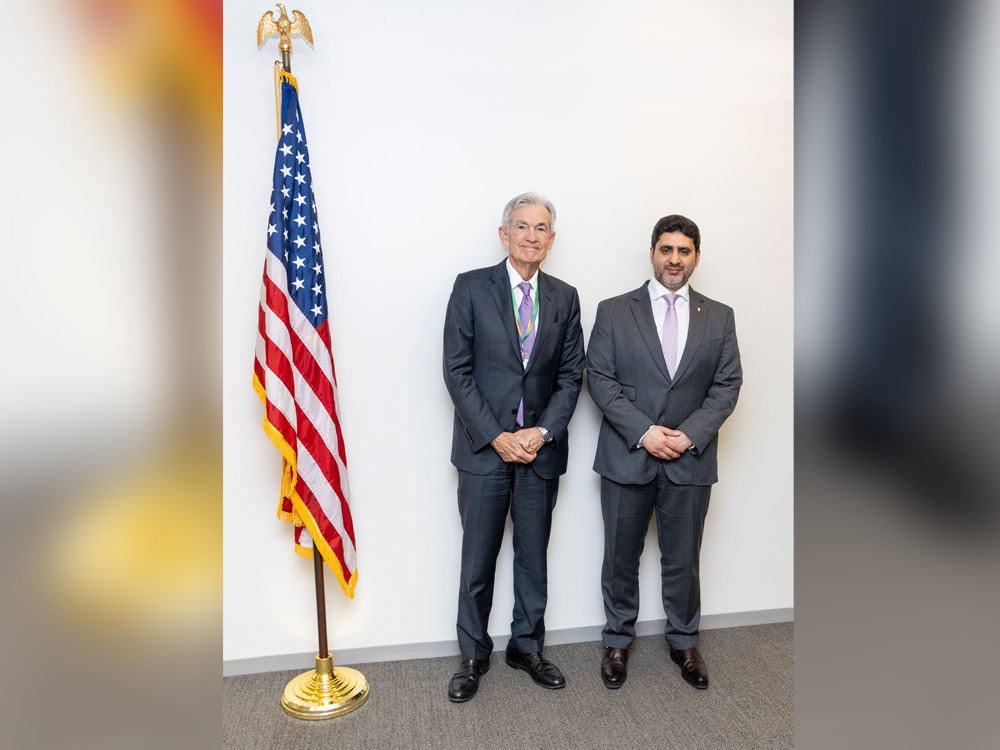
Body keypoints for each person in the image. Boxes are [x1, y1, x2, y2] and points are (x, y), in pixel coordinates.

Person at [586, 214, 742, 690]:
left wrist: (689, 434)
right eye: (667, 250)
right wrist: (645, 432)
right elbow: (600, 378)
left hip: (689, 460)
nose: (675, 260)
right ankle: (617, 641)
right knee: (619, 556)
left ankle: (684, 642)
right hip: (627, 457)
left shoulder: (719, 315)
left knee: (683, 558)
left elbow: (727, 384)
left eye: (685, 251)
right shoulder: (614, 310)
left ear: (696, 256)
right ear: (652, 252)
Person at [442, 192, 585, 702]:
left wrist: (541, 433)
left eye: (541, 228)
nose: (532, 235)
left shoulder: (565, 297)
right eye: (522, 226)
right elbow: (456, 372)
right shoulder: (470, 287)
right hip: (484, 453)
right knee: (478, 559)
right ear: (505, 235)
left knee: (533, 558)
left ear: (551, 239)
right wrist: (498, 436)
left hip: (540, 452)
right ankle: (473, 655)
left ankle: (527, 647)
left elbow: (571, 377)